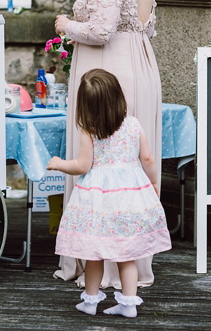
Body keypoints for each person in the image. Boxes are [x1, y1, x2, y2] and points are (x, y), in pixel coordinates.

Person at [53, 0, 163, 289]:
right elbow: (146, 29)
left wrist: (66, 24)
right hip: (141, 67)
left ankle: (102, 262)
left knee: (102, 161)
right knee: (126, 163)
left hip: (111, 69)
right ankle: (130, 259)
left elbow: (101, 30)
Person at [48, 69, 171, 318]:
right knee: (128, 256)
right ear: (118, 97)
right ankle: (128, 305)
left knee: (95, 255)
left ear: (86, 106)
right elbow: (146, 157)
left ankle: (91, 302)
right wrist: (154, 182)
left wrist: (59, 163)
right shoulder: (133, 125)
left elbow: (82, 166)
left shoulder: (89, 130)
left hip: (98, 201)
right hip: (128, 198)